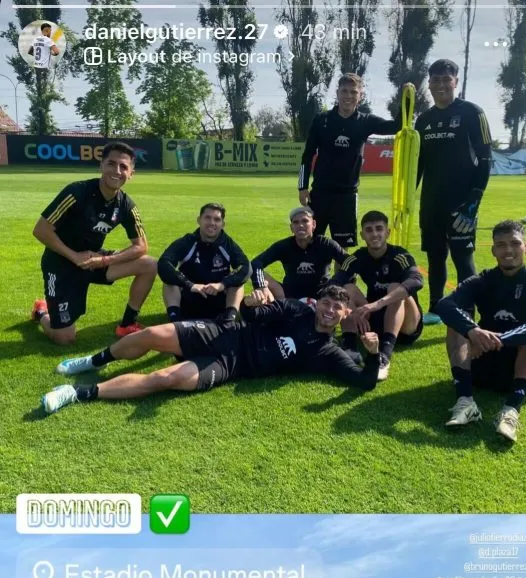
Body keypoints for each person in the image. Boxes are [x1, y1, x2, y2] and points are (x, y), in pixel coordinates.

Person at [42, 285, 381, 414]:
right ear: (317, 302)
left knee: (165, 377)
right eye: (325, 302)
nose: (329, 310)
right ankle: (92, 360)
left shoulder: (327, 352)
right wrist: (249, 303)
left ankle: (76, 393)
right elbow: (254, 314)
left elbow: (364, 382)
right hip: (222, 333)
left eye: (337, 308)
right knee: (152, 334)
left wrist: (371, 354)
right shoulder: (298, 309)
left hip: (228, 365)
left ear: (345, 314)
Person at [436, 219, 526, 442]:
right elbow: (444, 305)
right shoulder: (483, 280)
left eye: (515, 243)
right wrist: (473, 330)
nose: (508, 250)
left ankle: (511, 410)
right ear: (493, 250)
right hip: (483, 364)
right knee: (457, 325)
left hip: (520, 371)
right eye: (501, 245)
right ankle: (465, 401)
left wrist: (503, 339)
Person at [31, 142, 157, 345]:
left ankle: (127, 324)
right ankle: (41, 312)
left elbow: (141, 246)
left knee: (149, 264)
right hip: (61, 264)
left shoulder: (125, 204)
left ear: (131, 173)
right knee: (64, 338)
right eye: (111, 164)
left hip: (93, 261)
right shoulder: (76, 192)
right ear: (101, 166)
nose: (117, 171)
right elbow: (41, 230)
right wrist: (74, 256)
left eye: (124, 167)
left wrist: (105, 259)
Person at [414, 58, 492, 326]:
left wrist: (473, 204)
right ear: (429, 84)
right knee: (435, 257)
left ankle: (467, 312)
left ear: (455, 82)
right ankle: (436, 307)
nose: (441, 85)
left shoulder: (472, 112)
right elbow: (418, 165)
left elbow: (485, 160)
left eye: (446, 79)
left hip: (462, 204)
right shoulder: (423, 120)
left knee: (463, 258)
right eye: (435, 80)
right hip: (432, 204)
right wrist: (407, 201)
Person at [298, 72, 401, 248]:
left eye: (353, 92)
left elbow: (397, 126)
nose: (348, 96)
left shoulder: (366, 121)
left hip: (346, 196)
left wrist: (404, 99)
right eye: (344, 91)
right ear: (337, 93)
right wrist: (302, 187)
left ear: (360, 96)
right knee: (311, 244)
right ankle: (317, 277)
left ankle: (341, 277)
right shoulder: (321, 120)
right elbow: (307, 155)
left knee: (342, 249)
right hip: (320, 194)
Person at [332, 209, 424, 379]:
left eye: (379, 229)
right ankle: (350, 344)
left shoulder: (400, 255)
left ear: (387, 232)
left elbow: (417, 280)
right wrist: (351, 312)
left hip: (407, 326)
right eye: (369, 230)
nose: (374, 234)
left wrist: (377, 303)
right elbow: (335, 281)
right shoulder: (358, 257)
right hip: (376, 322)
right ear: (362, 235)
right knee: (347, 289)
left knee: (395, 287)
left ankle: (385, 355)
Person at [157, 202, 251, 327]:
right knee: (169, 280)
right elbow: (163, 263)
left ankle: (229, 320)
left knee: (238, 282)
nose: (212, 223)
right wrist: (190, 285)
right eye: (207, 217)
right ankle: (175, 320)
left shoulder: (228, 244)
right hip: (190, 299)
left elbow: (246, 267)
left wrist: (222, 285)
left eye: (217, 219)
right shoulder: (187, 241)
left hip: (218, 301)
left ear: (222, 224)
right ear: (199, 220)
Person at [249, 206, 347, 304]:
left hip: (322, 296)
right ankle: (273, 313)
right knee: (263, 277)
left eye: (305, 221)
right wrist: (261, 286)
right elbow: (255, 263)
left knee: (350, 287)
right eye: (296, 222)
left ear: (313, 224)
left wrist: (336, 283)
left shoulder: (326, 244)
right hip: (289, 295)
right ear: (291, 228)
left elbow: (350, 262)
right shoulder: (284, 246)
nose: (300, 225)